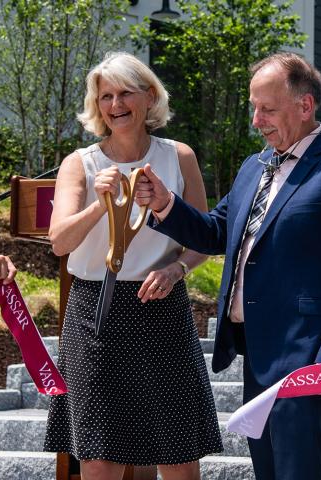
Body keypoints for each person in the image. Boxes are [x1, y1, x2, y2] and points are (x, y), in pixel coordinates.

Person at [136, 52, 321, 480]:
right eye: (254, 107)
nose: (256, 120)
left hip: (307, 359)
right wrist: (165, 204)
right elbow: (217, 232)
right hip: (255, 353)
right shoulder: (253, 168)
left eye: (267, 108)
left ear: (305, 106)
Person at [43, 52, 222, 480]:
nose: (115, 104)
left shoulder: (179, 157)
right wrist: (98, 206)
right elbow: (59, 243)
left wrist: (177, 270)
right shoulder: (79, 164)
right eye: (105, 95)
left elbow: (203, 238)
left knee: (177, 450)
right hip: (94, 312)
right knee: (100, 452)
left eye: (125, 93)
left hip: (160, 305)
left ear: (150, 97)